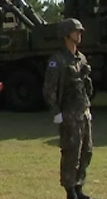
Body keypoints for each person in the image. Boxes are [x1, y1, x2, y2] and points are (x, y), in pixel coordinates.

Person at [43, 18, 96, 199]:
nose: (79, 34)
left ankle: (79, 185)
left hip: (83, 111)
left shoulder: (81, 58)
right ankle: (69, 189)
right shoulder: (57, 61)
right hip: (68, 113)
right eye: (76, 31)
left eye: (80, 31)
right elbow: (49, 89)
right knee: (71, 151)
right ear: (66, 35)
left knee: (86, 150)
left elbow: (87, 87)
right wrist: (56, 112)